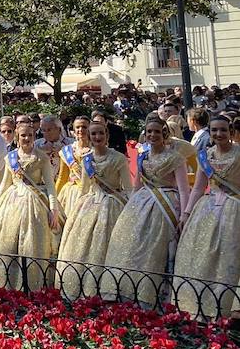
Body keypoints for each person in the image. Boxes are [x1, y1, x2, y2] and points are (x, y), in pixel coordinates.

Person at [102, 115, 190, 306]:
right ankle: (126, 290)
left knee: (155, 249)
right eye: (149, 131)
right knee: (131, 244)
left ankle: (153, 294)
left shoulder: (175, 157)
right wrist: (130, 208)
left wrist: (184, 215)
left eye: (157, 131)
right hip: (141, 203)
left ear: (164, 133)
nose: (152, 135)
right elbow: (137, 186)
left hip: (166, 205)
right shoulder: (143, 156)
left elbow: (184, 189)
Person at [0, 121, 58, 291]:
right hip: (11, 202)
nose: (27, 138)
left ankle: (32, 281)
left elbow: (50, 185)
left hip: (34, 204)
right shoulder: (10, 157)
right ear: (17, 137)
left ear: (35, 136)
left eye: (30, 135)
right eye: (23, 135)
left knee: (30, 243)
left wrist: (53, 209)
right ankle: (8, 280)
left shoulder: (41, 158)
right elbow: (5, 184)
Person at [57, 119, 132, 300]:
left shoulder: (119, 158)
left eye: (101, 133)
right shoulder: (86, 158)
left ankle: (110, 287)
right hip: (89, 203)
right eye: (94, 134)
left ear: (107, 135)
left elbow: (128, 188)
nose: (97, 137)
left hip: (113, 204)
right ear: (89, 137)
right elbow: (84, 187)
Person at [173, 116, 240, 317]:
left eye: (223, 130)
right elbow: (198, 188)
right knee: (203, 254)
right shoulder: (205, 155)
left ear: (230, 132)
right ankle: (199, 303)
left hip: (235, 208)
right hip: (208, 208)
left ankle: (229, 306)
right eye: (214, 130)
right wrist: (186, 213)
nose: (218, 134)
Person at [53, 116, 93, 224]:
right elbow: (62, 177)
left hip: (91, 192)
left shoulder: (95, 150)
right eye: (78, 127)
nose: (81, 130)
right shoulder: (67, 151)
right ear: (73, 130)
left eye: (84, 127)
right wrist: (54, 199)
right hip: (71, 194)